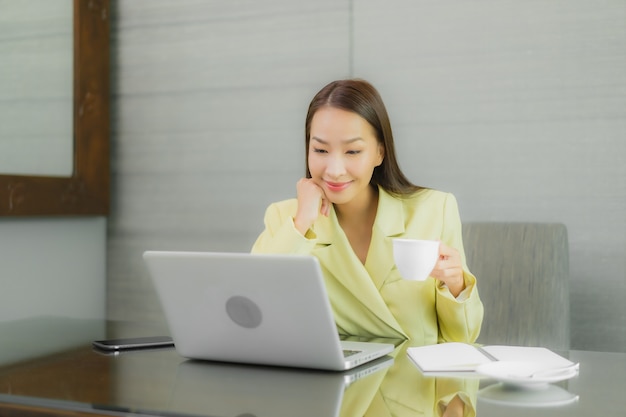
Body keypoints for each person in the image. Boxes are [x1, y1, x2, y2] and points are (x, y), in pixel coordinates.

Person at [252, 79, 483, 344]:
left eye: (352, 151)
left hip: (411, 382)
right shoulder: (286, 218)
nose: (335, 169)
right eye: (320, 150)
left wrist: (456, 285)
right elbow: (255, 311)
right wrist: (303, 220)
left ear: (379, 152)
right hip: (334, 383)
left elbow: (464, 338)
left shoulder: (434, 209)